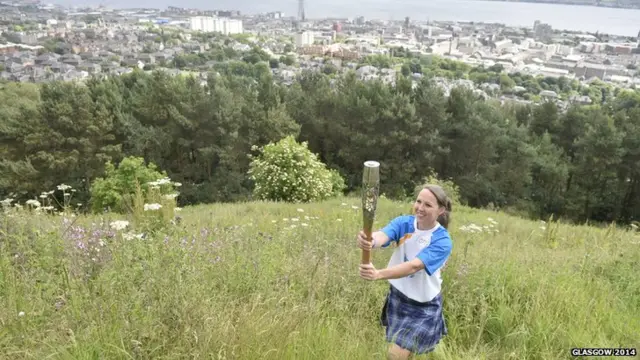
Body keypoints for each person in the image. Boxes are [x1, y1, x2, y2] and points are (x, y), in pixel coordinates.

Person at [357, 184, 453, 360]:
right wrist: (370, 240)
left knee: (395, 354)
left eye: (428, 205)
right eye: (418, 201)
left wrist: (378, 274)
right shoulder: (404, 223)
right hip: (399, 297)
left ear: (440, 210)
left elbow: (414, 266)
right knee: (402, 351)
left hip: (423, 306)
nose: (420, 208)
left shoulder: (442, 240)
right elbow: (383, 235)